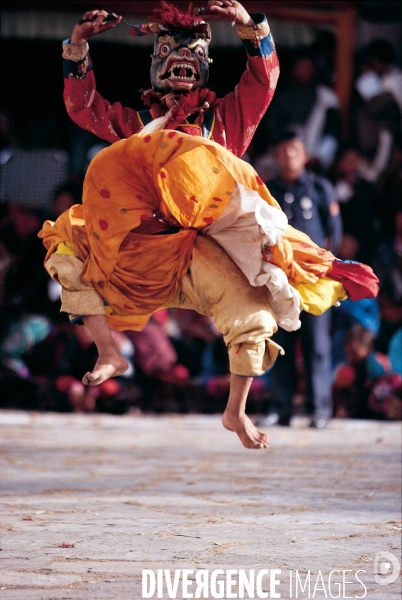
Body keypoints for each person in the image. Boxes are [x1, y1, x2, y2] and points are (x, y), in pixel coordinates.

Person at [39, 130, 379, 448]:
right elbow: (87, 107)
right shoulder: (138, 122)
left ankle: (237, 411)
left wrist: (259, 60)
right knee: (66, 248)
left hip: (198, 249)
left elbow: (258, 88)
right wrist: (76, 65)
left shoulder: (218, 121)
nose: (178, 80)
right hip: (137, 247)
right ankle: (108, 351)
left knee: (254, 314)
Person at [62, 0, 280, 158]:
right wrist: (78, 42)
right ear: (152, 62)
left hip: (214, 222)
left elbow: (264, 81)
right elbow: (83, 106)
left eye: (199, 54)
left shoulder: (225, 124)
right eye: (167, 49)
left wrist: (248, 22)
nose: (185, 55)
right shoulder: (137, 128)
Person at [256, 130, 342, 428]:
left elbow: (334, 231)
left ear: (305, 155)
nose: (289, 154)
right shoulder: (268, 190)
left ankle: (319, 409)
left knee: (317, 345)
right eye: (283, 149)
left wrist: (329, 271)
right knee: (280, 343)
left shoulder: (320, 187)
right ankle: (281, 408)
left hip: (312, 279)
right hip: (279, 279)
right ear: (276, 156)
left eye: (294, 149)